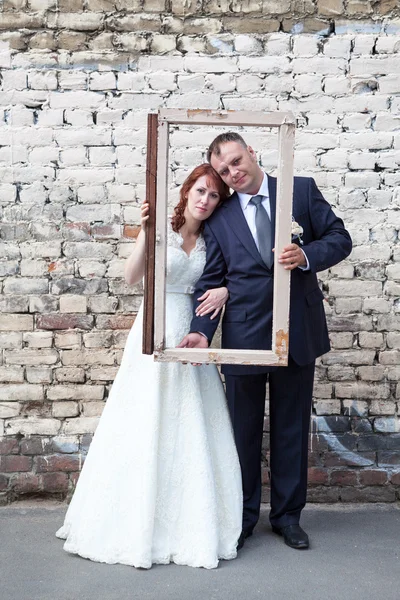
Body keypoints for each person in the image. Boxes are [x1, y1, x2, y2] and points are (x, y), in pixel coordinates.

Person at [56, 164, 242, 569]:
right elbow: (130, 277)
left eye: (214, 195)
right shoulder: (161, 228)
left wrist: (224, 293)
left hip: (192, 330)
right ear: (187, 190)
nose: (205, 200)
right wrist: (144, 231)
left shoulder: (216, 238)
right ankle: (135, 522)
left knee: (192, 420)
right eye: (200, 191)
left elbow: (226, 278)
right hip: (153, 326)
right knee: (144, 418)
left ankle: (193, 522)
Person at [179, 133, 352, 551]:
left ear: (252, 153)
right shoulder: (219, 216)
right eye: (224, 171)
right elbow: (213, 279)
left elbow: (340, 238)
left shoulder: (302, 190)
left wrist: (306, 255)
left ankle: (287, 518)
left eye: (237, 162)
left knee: (291, 429)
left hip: (298, 331)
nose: (233, 173)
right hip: (242, 334)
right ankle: (240, 518)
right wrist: (202, 330)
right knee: (242, 433)